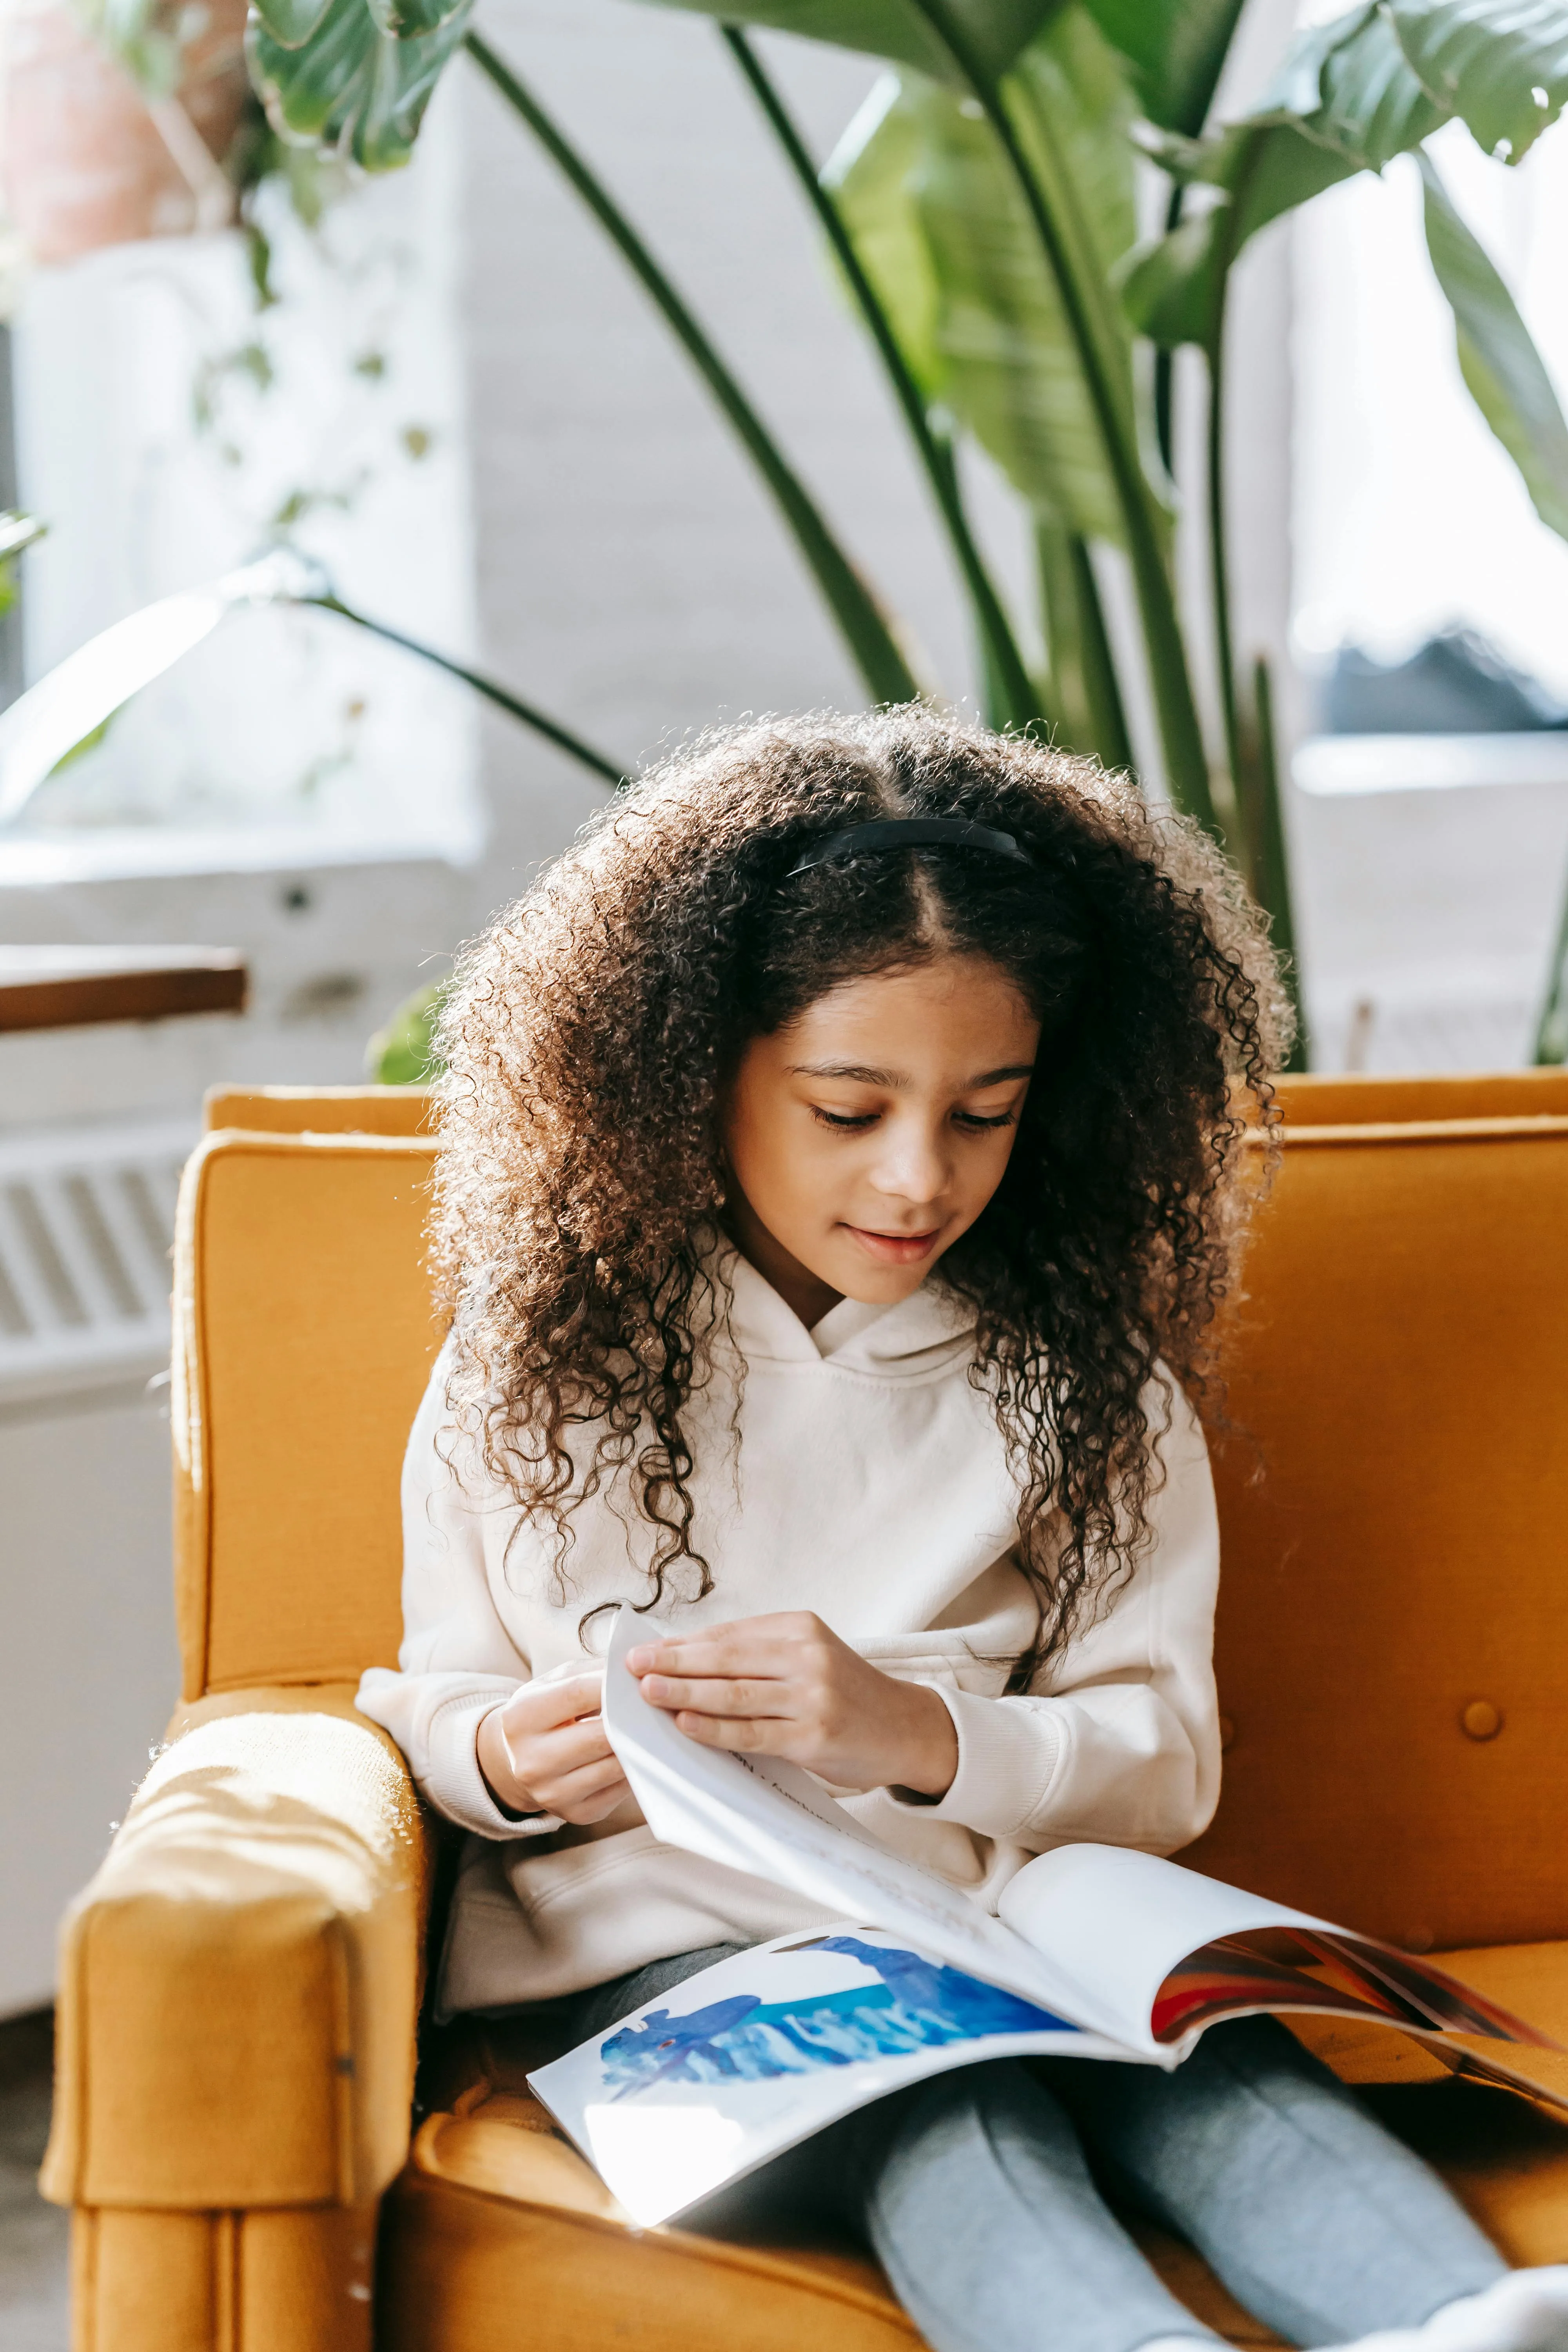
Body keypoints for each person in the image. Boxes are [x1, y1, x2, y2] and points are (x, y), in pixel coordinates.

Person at [358, 710, 1568, 2352]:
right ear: (691, 1069)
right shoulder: (534, 1365)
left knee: (1218, 2063)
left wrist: (914, 1734)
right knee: (946, 2100)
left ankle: (1471, 2321)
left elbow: (1163, 1763)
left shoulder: (1081, 1381)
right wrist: (504, 1757)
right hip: (674, 1958)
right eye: (848, 1110)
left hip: (1010, 1921)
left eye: (984, 1113)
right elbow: (432, 1691)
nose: (920, 1179)